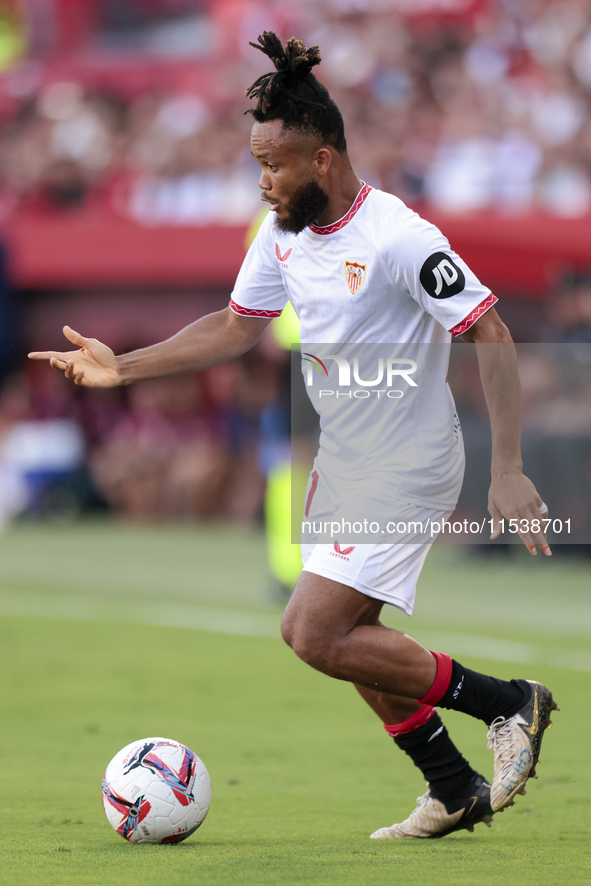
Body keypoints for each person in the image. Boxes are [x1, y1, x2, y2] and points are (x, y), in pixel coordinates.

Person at [29, 32, 559, 840]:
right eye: (255, 165)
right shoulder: (281, 234)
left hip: (408, 459)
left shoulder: (396, 236)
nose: (262, 182)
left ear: (322, 160)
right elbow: (235, 327)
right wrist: (123, 368)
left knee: (309, 632)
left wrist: (509, 467)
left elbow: (488, 329)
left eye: (272, 166)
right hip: (346, 460)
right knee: (349, 640)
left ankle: (506, 701)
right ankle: (451, 786)